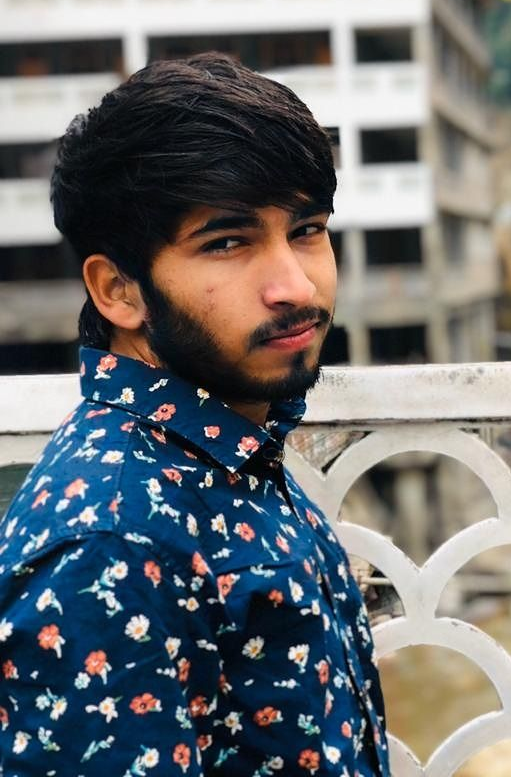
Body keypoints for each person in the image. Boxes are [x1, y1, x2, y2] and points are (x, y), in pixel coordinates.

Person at [0, 53, 390, 776]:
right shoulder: (110, 542)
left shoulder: (226, 451)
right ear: (119, 289)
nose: (294, 283)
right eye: (228, 242)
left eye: (305, 228)